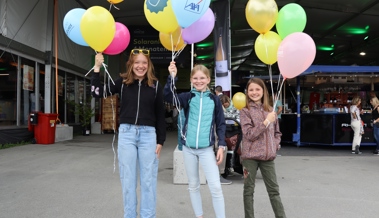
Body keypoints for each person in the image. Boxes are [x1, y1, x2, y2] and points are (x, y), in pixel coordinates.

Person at [91, 50, 166, 218]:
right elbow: (97, 92)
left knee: (148, 181)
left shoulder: (155, 85)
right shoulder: (122, 83)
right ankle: (130, 215)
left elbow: (160, 114)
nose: (140, 66)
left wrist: (161, 140)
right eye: (137, 62)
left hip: (149, 136)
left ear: (149, 65)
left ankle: (148, 215)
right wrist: (97, 68)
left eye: (144, 63)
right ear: (131, 64)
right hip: (127, 134)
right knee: (128, 181)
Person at [165, 63, 226, 218]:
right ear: (191, 79)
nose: (199, 81)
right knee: (193, 185)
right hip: (189, 149)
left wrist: (222, 146)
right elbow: (168, 96)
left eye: (202, 78)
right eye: (195, 78)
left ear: (208, 79)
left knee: (216, 186)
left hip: (206, 149)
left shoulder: (214, 99)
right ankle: (199, 215)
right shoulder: (187, 97)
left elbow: (221, 124)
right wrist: (172, 77)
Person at [239, 78, 286, 218]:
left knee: (274, 190)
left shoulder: (270, 110)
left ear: (263, 91)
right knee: (248, 190)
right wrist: (266, 122)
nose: (254, 92)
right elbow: (249, 134)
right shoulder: (245, 111)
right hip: (250, 157)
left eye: (257, 89)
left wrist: (274, 145)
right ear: (247, 92)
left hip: (268, 157)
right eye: (251, 90)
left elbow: (277, 132)